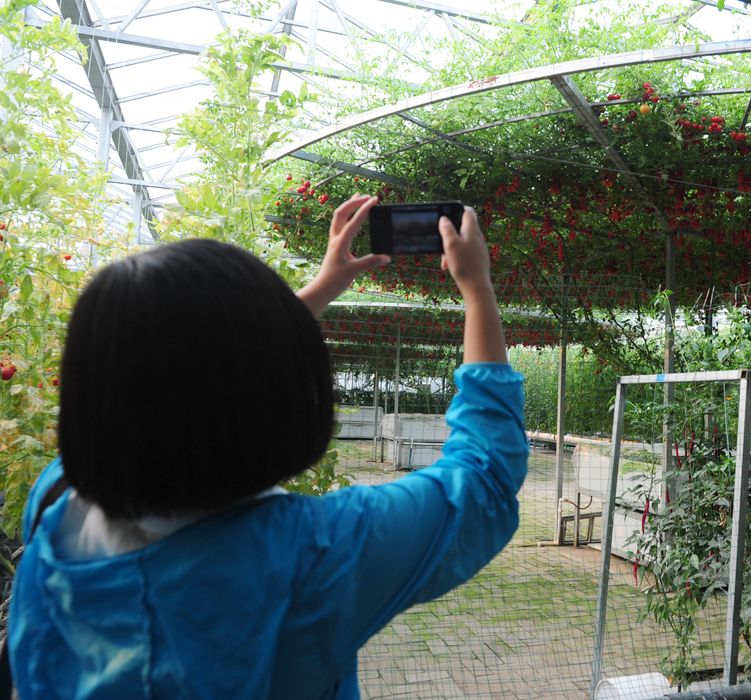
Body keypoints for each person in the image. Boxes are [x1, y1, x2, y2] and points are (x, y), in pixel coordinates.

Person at [7, 194, 528, 699]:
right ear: (288, 398)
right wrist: (477, 290)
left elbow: (182, 381)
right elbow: (484, 477)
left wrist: (319, 290)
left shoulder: (56, 501)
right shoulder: (313, 558)